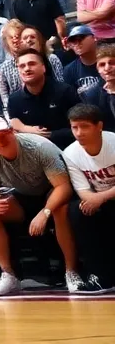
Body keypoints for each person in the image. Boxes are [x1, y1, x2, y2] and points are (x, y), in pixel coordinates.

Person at [0, 115, 84, 295]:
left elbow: (63, 187)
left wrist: (45, 211)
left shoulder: (39, 147)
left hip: (52, 191)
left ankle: (71, 272)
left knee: (60, 208)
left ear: (12, 131)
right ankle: (8, 275)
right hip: (24, 195)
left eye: (3, 134)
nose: (0, 141)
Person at [63, 104, 115, 290]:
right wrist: (94, 200)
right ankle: (100, 276)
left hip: (106, 197)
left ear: (99, 126)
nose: (78, 133)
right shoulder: (70, 153)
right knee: (76, 211)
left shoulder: (113, 143)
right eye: (74, 127)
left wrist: (100, 198)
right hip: (101, 201)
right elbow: (82, 189)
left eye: (84, 126)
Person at [7, 49, 80, 149]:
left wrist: (49, 135)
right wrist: (28, 130)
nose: (27, 69)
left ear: (43, 68)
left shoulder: (65, 91)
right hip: (33, 154)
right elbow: (15, 127)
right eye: (22, 66)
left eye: (32, 64)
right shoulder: (14, 100)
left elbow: (81, 126)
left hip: (67, 149)